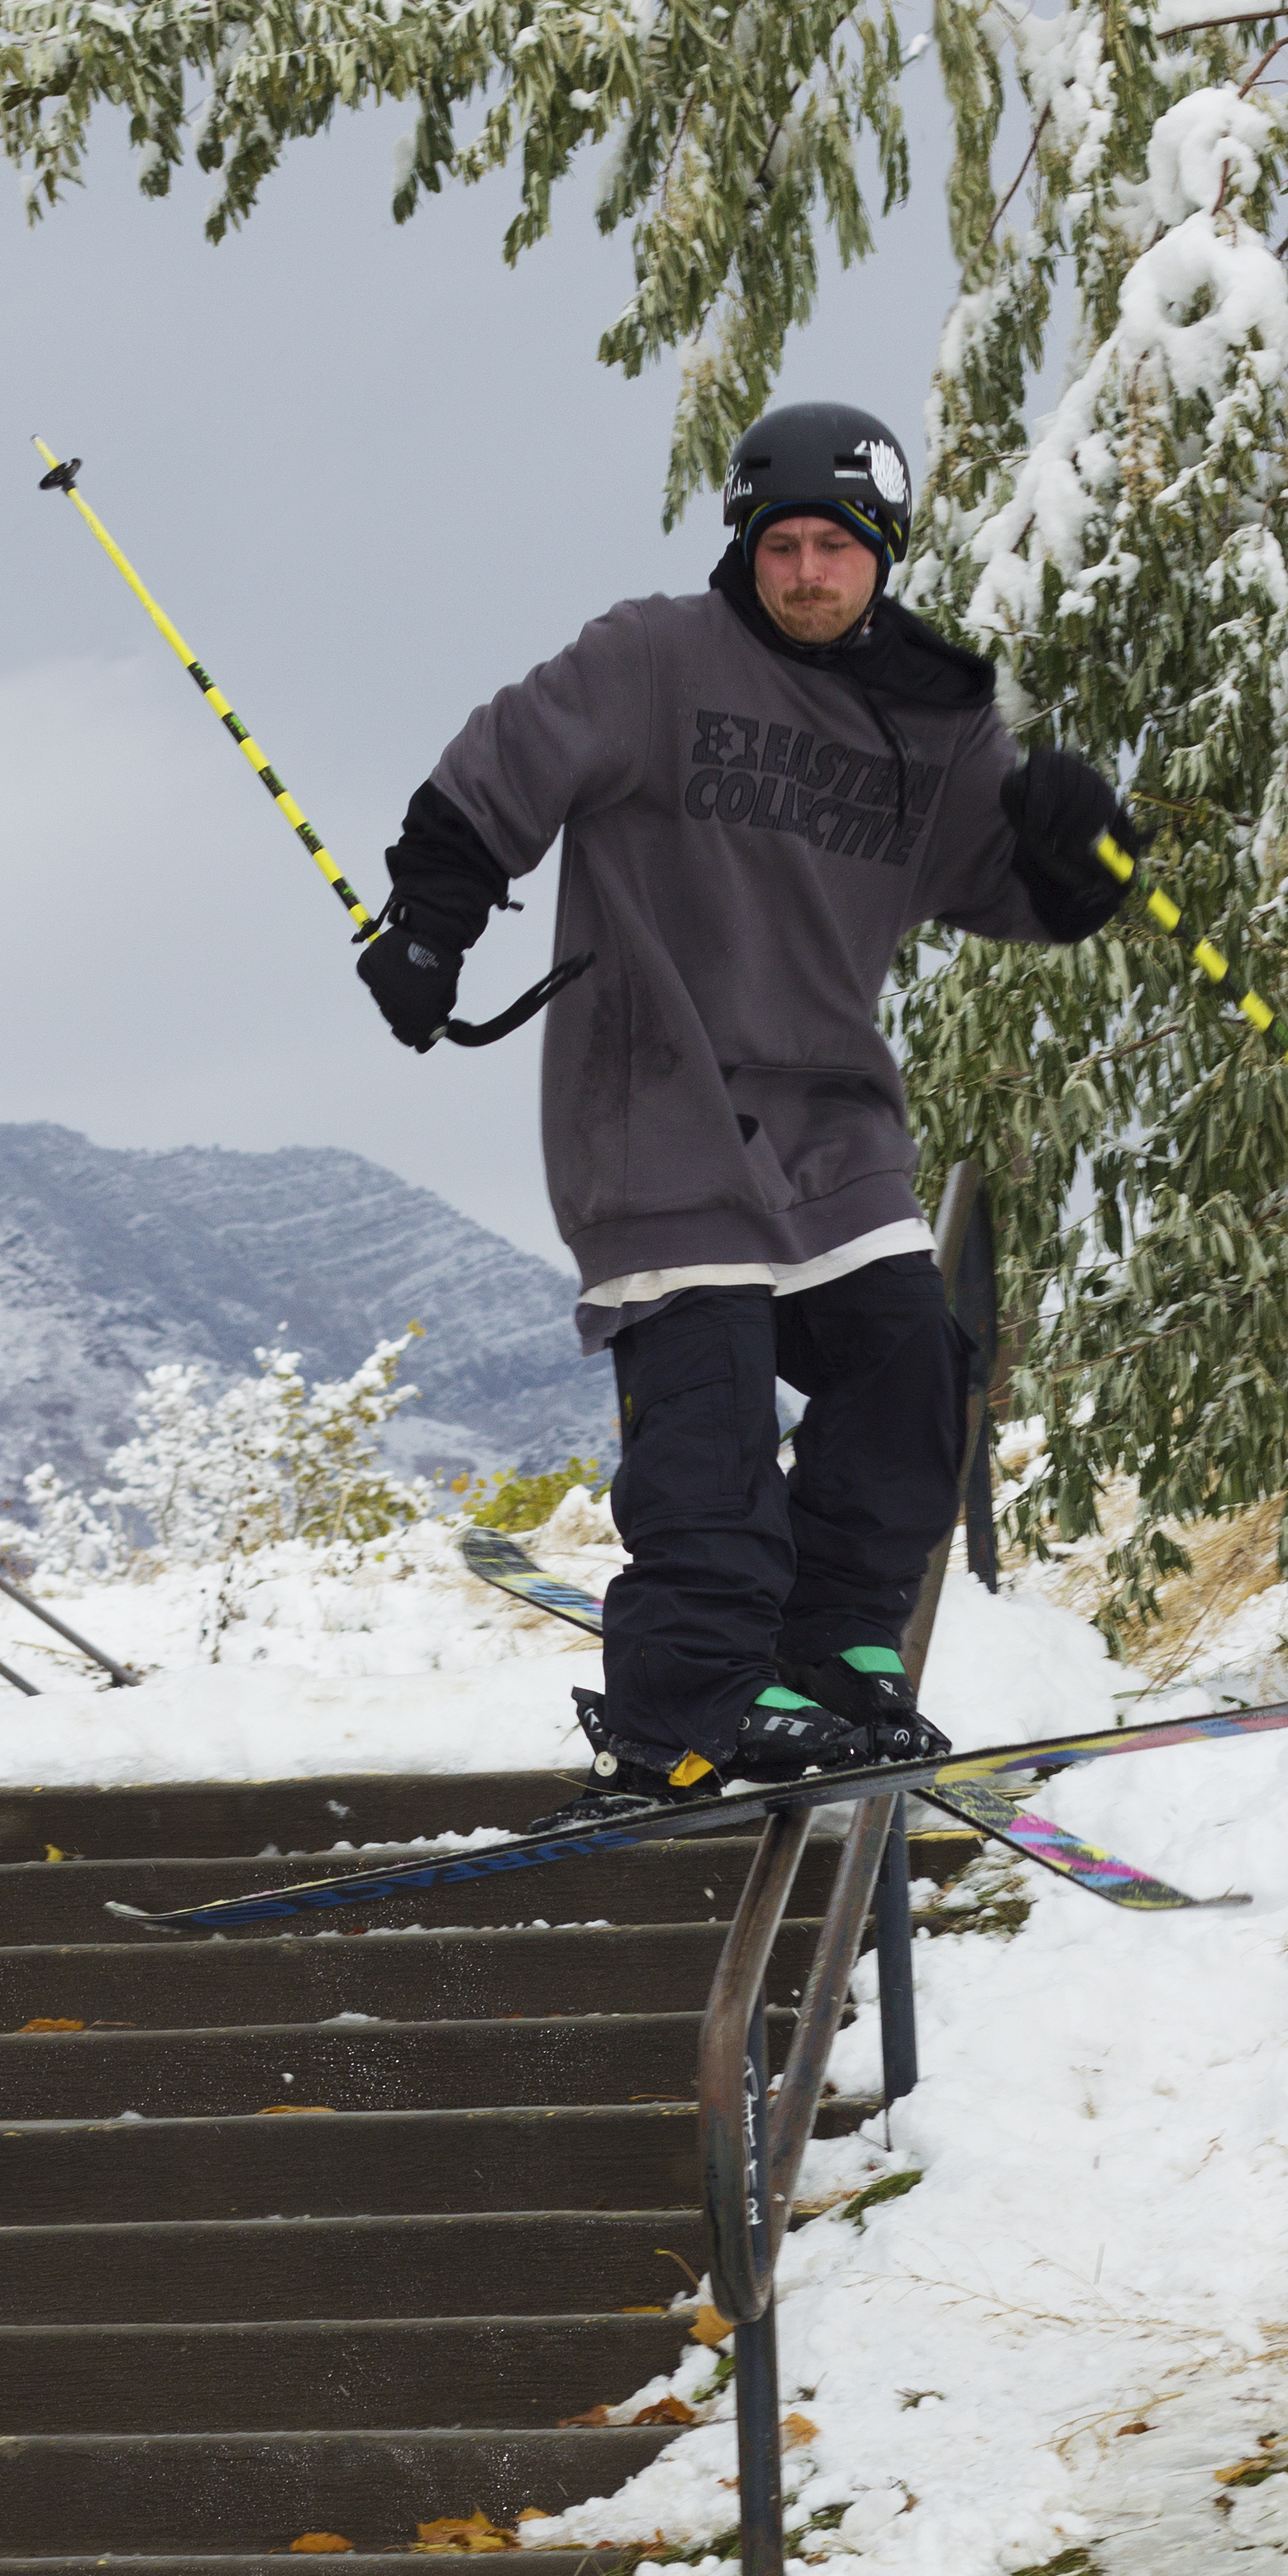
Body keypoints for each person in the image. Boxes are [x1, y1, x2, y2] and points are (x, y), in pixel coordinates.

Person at [357, 401, 1140, 1815]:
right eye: (779, 545)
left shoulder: (933, 722)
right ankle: (686, 1706)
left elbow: (1009, 885)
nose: (804, 573)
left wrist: (1083, 860)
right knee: (709, 1404)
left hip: (830, 1116)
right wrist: (428, 925)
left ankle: (828, 1651)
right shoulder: (654, 659)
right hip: (652, 1096)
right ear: (744, 546)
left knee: (909, 1365)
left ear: (882, 553)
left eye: (834, 547)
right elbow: (497, 768)